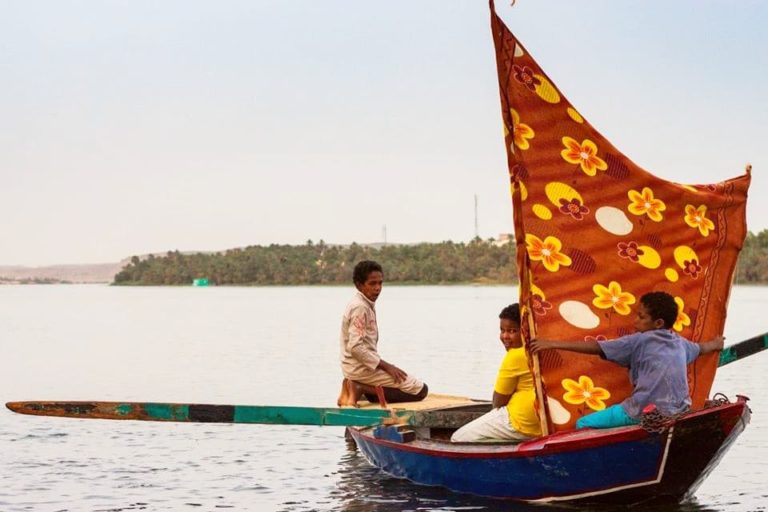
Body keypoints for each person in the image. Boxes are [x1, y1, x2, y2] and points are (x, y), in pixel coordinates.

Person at [529, 291, 725, 429]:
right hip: (679, 412)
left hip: (641, 412)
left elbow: (596, 347)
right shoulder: (680, 343)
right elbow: (702, 349)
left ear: (658, 323)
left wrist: (552, 343)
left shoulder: (638, 341)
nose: (635, 321)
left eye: (641, 317)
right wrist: (716, 344)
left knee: (583, 424)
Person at [336, 260, 428, 407]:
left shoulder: (364, 303)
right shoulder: (360, 307)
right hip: (359, 368)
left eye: (380, 283)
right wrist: (387, 366)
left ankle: (352, 387)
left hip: (357, 367)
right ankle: (359, 387)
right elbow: (355, 347)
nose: (378, 288)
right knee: (420, 391)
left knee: (389, 390)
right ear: (359, 285)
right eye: (372, 284)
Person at [451, 304, 541, 442]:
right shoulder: (543, 348)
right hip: (540, 422)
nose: (505, 336)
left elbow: (499, 402)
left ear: (525, 330)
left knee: (458, 438)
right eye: (502, 330)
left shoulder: (515, 355)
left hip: (520, 421)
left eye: (512, 331)